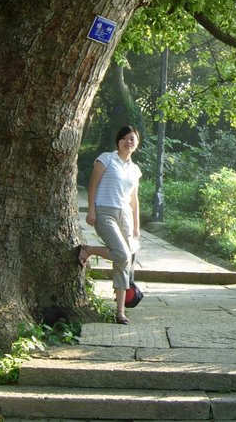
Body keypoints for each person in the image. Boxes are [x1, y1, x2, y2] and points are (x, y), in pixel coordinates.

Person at [76, 125, 141, 325]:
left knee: (124, 262)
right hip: (105, 212)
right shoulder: (105, 159)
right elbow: (93, 185)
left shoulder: (135, 169)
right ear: (118, 141)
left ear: (136, 145)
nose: (129, 142)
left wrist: (137, 226)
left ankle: (120, 311)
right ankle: (89, 249)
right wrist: (91, 210)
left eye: (133, 140)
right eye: (126, 138)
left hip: (126, 217)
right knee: (122, 254)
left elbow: (134, 199)